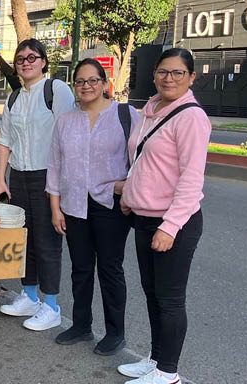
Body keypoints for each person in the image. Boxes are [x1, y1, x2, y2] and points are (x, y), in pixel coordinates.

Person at [116, 48, 209, 384]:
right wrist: (129, 194)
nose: (169, 78)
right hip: (144, 216)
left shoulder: (192, 117)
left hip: (174, 222)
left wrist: (169, 227)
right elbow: (143, 162)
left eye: (178, 73)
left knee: (170, 298)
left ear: (191, 77)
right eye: (163, 72)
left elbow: (190, 178)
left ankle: (169, 373)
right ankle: (157, 359)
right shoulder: (151, 108)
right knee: (152, 292)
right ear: (155, 74)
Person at [46, 58, 140, 356]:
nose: (86, 86)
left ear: (104, 83)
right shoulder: (65, 120)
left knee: (110, 269)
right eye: (80, 81)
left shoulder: (126, 115)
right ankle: (81, 324)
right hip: (73, 204)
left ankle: (115, 332)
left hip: (110, 204)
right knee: (81, 269)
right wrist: (55, 207)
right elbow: (55, 164)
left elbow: (143, 156)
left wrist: (128, 185)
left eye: (92, 80)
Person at [0, 38, 76, 331]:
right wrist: (1, 179)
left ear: (43, 61)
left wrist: (60, 185)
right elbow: (5, 141)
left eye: (32, 57)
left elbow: (67, 136)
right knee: (24, 238)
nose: (26, 62)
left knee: (47, 241)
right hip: (19, 175)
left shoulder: (56, 90)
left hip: (47, 176)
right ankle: (28, 295)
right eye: (20, 59)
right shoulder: (14, 97)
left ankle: (51, 304)